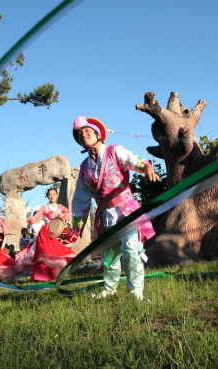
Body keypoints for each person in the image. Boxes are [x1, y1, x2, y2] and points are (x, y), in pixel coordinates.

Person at [71, 116, 158, 301]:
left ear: (98, 134)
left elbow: (133, 160)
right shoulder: (84, 168)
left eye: (87, 131)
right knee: (109, 256)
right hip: (104, 215)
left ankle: (136, 293)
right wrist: (77, 225)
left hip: (125, 210)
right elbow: (81, 199)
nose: (83, 135)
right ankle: (110, 288)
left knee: (132, 248)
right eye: (80, 134)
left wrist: (146, 166)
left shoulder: (114, 151)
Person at [15, 188, 76, 281]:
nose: (52, 196)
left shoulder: (60, 207)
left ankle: (57, 274)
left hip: (58, 233)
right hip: (47, 234)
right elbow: (36, 216)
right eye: (50, 194)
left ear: (57, 195)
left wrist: (63, 216)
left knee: (58, 254)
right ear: (47, 196)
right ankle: (41, 275)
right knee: (45, 254)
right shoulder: (45, 207)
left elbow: (69, 213)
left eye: (54, 194)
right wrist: (31, 220)